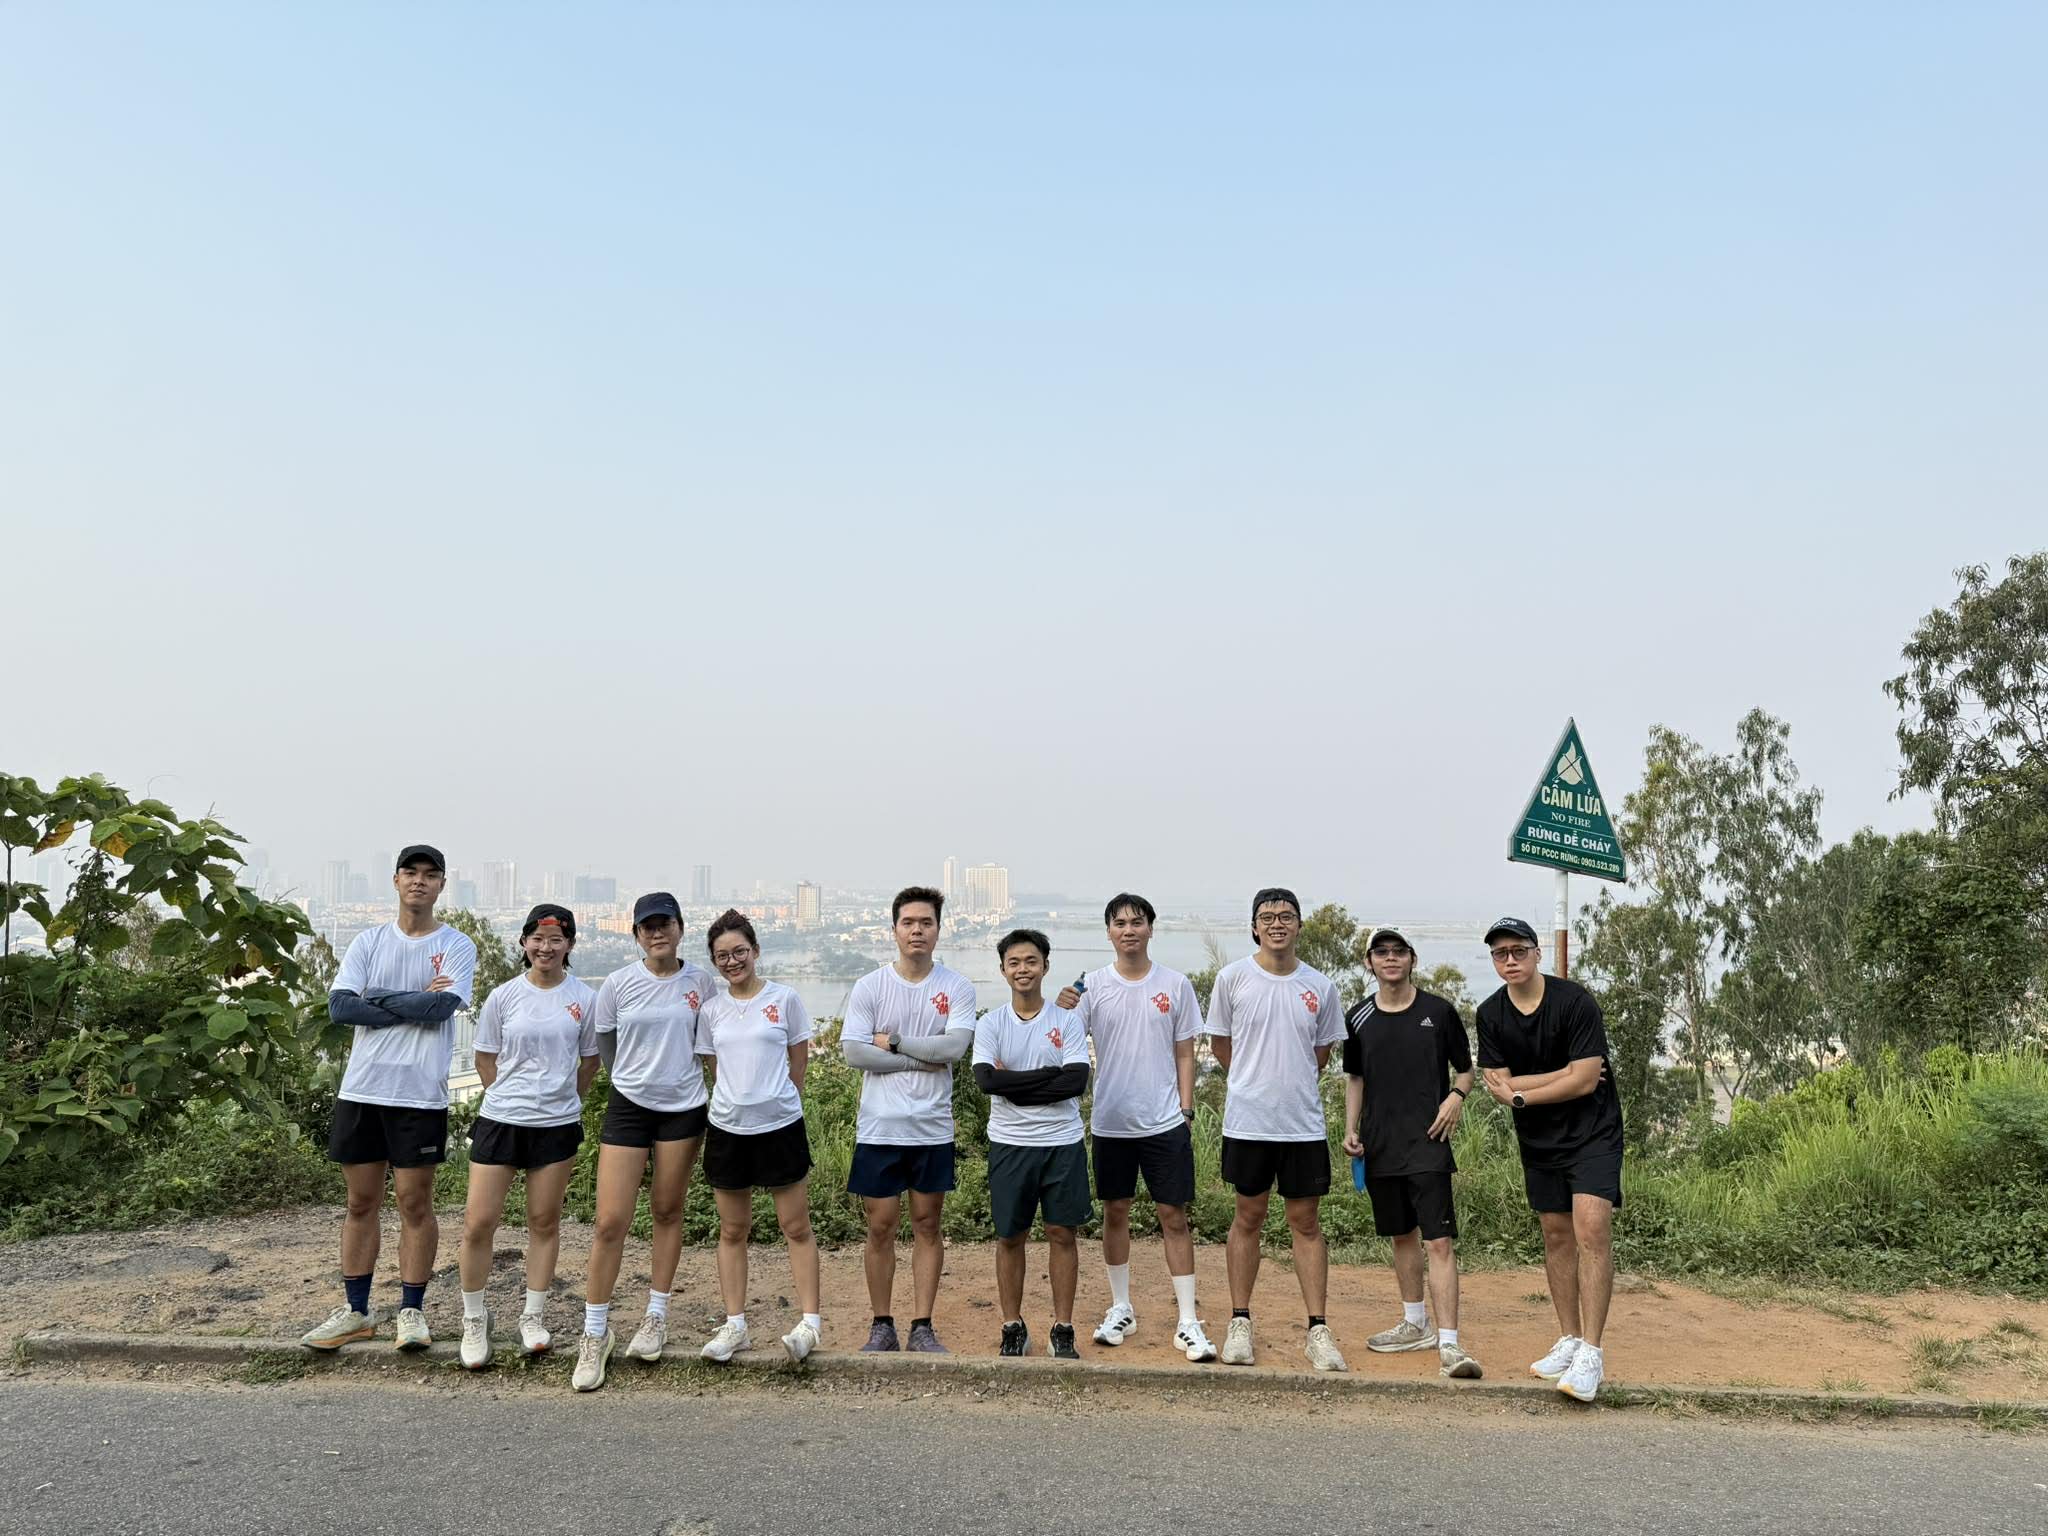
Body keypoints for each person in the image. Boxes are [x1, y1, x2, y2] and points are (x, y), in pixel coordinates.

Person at [302, 845, 478, 1353]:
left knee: (414, 1203)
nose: (419, 882)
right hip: (362, 1090)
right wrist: (411, 1002)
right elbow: (340, 1007)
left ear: (442, 884)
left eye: (430, 875)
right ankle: (356, 1311)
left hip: (419, 1096)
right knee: (361, 1202)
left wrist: (375, 997)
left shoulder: (456, 945)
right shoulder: (369, 941)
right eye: (411, 873)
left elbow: (443, 1006)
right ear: (396, 881)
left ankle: (412, 1311)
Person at [1053, 893, 1214, 1362]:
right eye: (1120, 923)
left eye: (1137, 922)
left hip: (1165, 1121)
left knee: (1174, 1216)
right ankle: (1121, 1306)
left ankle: (1188, 1320)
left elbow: (1186, 1051)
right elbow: (1061, 1041)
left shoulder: (1175, 984)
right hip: (1111, 1122)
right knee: (1115, 1212)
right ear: (1108, 932)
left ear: (1150, 929)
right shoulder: (1092, 986)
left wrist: (1185, 1110)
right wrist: (1062, 1005)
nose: (1129, 930)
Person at [1475, 916, 1626, 1403]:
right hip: (1539, 1139)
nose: (1510, 960)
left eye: (1519, 950)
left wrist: (1523, 1091)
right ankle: (1569, 1337)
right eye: (1501, 954)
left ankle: (1593, 1353)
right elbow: (1497, 1084)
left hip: (1593, 1132)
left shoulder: (1574, 1002)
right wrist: (1551, 1078)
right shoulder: (1490, 1013)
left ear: (1537, 952)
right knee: (1556, 1235)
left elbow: (1586, 1080)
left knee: (1591, 1229)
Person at [574, 892, 718, 1392]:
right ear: (636, 934)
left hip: (683, 1108)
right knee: (610, 1221)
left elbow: (708, 1046)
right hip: (629, 1106)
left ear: (680, 928)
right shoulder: (617, 984)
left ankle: (655, 1317)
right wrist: (634, 1079)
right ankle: (595, 1332)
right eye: (647, 927)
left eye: (665, 924)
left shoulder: (700, 982)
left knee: (666, 1211)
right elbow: (607, 1045)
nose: (657, 933)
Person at [1206, 886, 1347, 1372]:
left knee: (1306, 1223)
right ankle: (1240, 1321)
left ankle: (1318, 1329)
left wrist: (1287, 1082)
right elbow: (1222, 1045)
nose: (1277, 923)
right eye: (1267, 916)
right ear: (1253, 926)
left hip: (1301, 1124)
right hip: (1248, 1121)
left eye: (1286, 916)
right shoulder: (1232, 979)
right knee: (1248, 1217)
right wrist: (1252, 1081)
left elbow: (1322, 1053)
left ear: (1299, 925)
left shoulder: (1321, 987)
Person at [457, 905, 600, 1369]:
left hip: (556, 1125)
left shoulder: (584, 997)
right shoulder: (503, 996)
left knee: (544, 1222)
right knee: (479, 1222)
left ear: (570, 946)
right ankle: (475, 1319)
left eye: (557, 940)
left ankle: (532, 1317)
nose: (546, 947)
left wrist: (561, 1097)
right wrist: (506, 1095)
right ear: (524, 943)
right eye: (537, 939)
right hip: (501, 1121)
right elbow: (484, 1058)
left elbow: (590, 1063)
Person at [839, 885, 978, 1353]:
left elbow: (954, 1048)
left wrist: (894, 1043)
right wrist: (921, 1057)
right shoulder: (871, 986)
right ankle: (882, 1323)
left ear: (938, 929)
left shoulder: (955, 986)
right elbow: (854, 1051)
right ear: (894, 929)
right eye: (908, 923)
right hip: (880, 1127)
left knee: (927, 1225)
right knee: (879, 1227)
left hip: (931, 1127)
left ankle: (922, 1325)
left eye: (926, 922)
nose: (917, 930)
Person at [1340, 927, 1482, 1379]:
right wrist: (1350, 1130)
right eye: (1380, 953)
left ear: (1412, 959)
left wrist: (1455, 1098)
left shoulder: (1438, 1012)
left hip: (1429, 1143)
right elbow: (1355, 1079)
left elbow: (1466, 1070)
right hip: (1380, 1145)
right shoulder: (1358, 1017)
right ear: (1370, 963)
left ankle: (1451, 1346)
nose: (1390, 959)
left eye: (1398, 952)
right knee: (1402, 1236)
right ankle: (1414, 1323)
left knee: (1438, 1241)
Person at [695, 910, 823, 1364]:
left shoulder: (784, 999)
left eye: (739, 952)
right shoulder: (710, 1010)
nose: (732, 962)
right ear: (714, 961)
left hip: (780, 1127)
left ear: (755, 951)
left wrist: (780, 1099)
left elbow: (798, 1062)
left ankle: (810, 1323)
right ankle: (735, 1326)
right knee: (733, 1230)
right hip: (728, 1129)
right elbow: (714, 1067)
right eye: (722, 956)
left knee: (796, 1227)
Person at [973, 929, 1091, 1359]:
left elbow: (1077, 1081)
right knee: (1010, 1236)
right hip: (1010, 1143)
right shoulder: (992, 1024)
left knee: (1063, 1234)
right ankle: (1012, 1324)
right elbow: (986, 1080)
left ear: (1045, 965)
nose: (1023, 970)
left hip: (1062, 1143)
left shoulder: (1066, 1022)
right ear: (1003, 970)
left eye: (1031, 961)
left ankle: (1063, 1327)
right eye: (1014, 963)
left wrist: (1015, 1084)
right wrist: (1048, 1075)